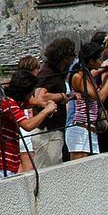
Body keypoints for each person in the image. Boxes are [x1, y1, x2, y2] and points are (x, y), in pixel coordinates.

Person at [0, 73, 57, 179]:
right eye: (31, 93)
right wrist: (46, 110)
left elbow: (29, 101)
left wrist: (42, 103)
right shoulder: (8, 103)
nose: (31, 96)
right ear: (24, 93)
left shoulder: (10, 100)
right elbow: (28, 125)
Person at [66, 42, 108, 160]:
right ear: (91, 61)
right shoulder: (78, 76)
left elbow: (98, 93)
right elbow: (100, 97)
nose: (102, 62)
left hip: (90, 129)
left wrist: (107, 76)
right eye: (100, 59)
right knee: (80, 171)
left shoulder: (88, 75)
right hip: (80, 131)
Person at [33, 37, 76, 167]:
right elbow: (40, 97)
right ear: (64, 57)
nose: (73, 58)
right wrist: (62, 96)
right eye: (72, 54)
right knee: (47, 168)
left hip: (54, 128)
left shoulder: (56, 72)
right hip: (48, 131)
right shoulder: (47, 72)